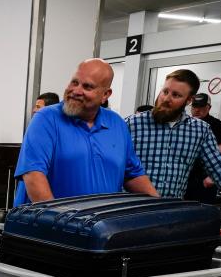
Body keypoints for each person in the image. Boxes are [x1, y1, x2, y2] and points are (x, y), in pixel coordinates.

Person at [13, 58, 157, 205]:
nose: (76, 91)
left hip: (99, 225)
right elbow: (33, 176)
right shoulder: (46, 119)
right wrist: (56, 222)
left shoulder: (117, 124)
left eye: (87, 87)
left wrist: (160, 210)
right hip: (49, 224)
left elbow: (133, 175)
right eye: (74, 82)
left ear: (105, 95)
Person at [126, 69, 221, 198]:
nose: (166, 99)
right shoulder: (132, 124)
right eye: (165, 91)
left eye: (176, 95)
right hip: (132, 209)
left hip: (172, 210)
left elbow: (219, 167)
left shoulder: (199, 130)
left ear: (189, 100)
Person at [184, 93, 221, 202]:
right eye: (194, 106)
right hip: (185, 176)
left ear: (209, 107)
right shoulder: (185, 124)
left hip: (204, 178)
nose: (197, 110)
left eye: (201, 107)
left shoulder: (217, 126)